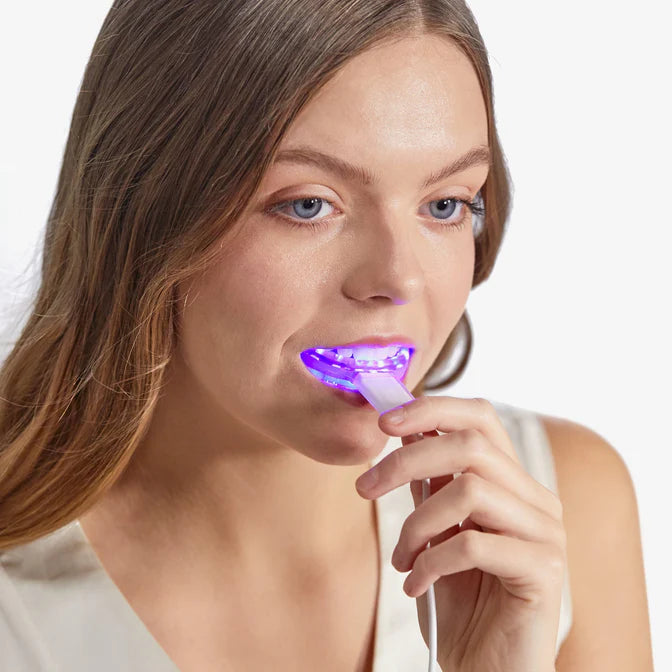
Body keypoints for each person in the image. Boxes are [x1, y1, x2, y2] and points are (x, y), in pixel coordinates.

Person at [0, 1, 653, 671]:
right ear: (144, 213)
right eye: (308, 204)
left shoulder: (563, 509)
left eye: (445, 204)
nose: (397, 279)